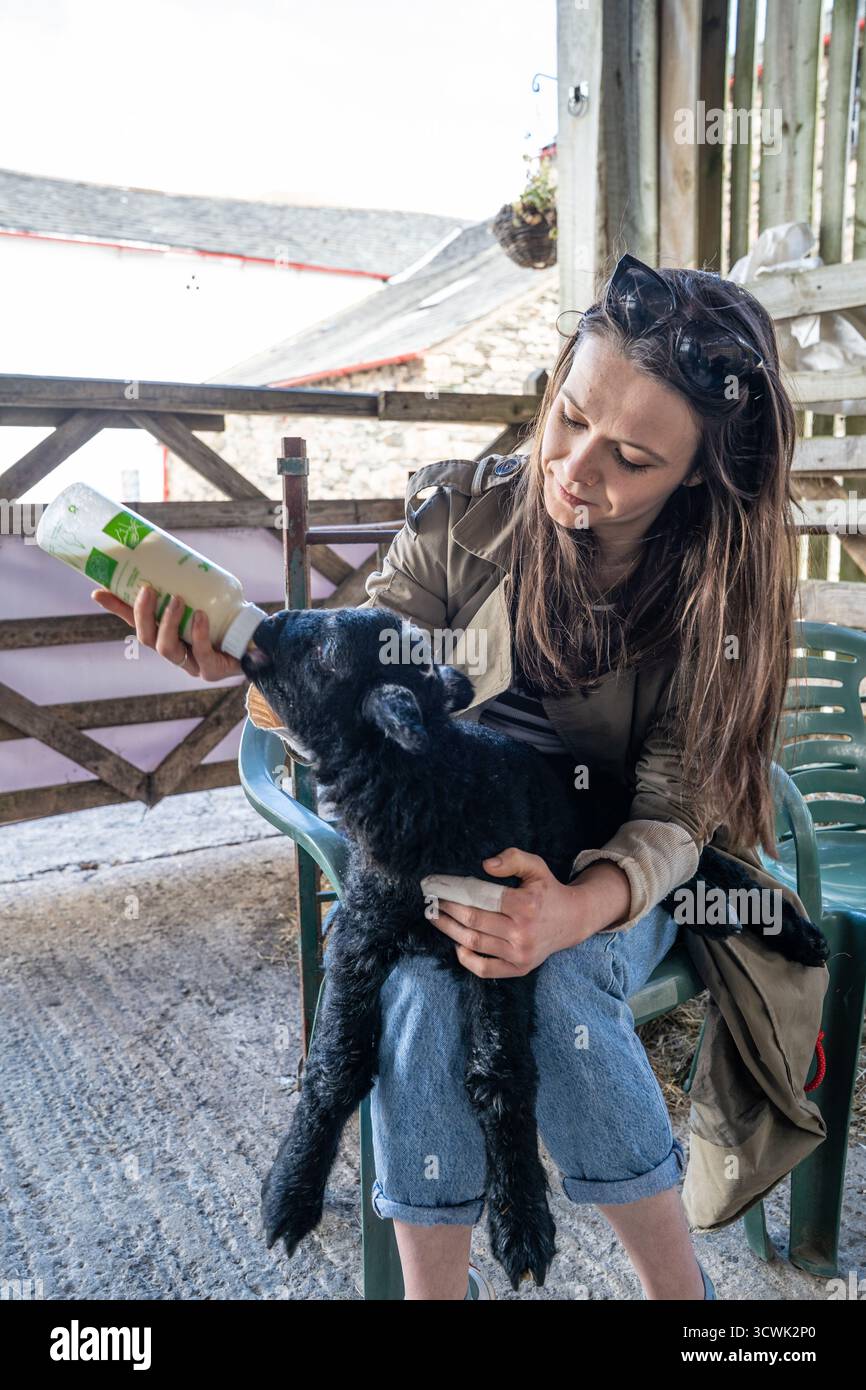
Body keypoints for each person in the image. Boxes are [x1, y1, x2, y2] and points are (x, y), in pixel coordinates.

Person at [92, 252, 801, 1302]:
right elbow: (359, 696)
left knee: (550, 979)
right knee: (423, 993)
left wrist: (572, 911)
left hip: (619, 863)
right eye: (568, 417)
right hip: (443, 845)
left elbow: (675, 810)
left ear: (694, 472)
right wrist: (259, 680)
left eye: (631, 459)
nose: (572, 471)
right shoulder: (463, 516)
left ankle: (678, 1298)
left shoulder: (714, 597)